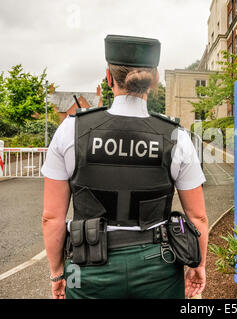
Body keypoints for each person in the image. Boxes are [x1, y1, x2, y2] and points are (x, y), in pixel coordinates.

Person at [41, 35, 208, 299]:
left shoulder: (70, 130)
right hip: (159, 267)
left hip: (87, 269)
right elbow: (197, 217)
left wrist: (58, 273)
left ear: (108, 78)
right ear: (153, 82)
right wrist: (198, 265)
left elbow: (51, 217)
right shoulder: (176, 136)